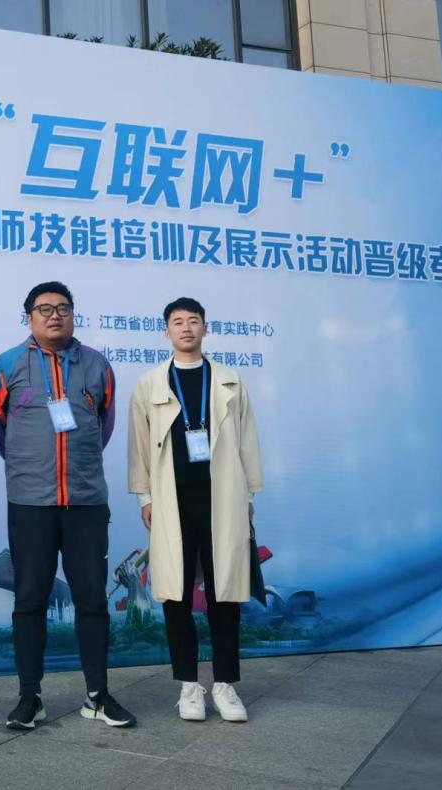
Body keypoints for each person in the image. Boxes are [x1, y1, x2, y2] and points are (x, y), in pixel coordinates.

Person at [0, 281, 135, 730]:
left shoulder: (97, 366)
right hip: (30, 504)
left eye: (63, 308)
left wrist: (75, 467)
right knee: (29, 600)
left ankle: (97, 695)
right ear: (28, 317)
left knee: (92, 600)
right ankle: (30, 697)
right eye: (44, 308)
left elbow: (103, 426)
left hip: (86, 504)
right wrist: (32, 465)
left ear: (73, 314)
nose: (55, 315)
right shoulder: (6, 366)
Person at [126, 297, 264, 723]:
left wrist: (249, 496)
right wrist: (145, 498)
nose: (186, 328)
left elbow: (246, 439)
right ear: (166, 331)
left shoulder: (229, 380)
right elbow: (138, 446)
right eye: (177, 321)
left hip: (222, 498)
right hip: (172, 502)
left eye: (193, 321)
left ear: (206, 328)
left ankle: (225, 685)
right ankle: (188, 685)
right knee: (176, 594)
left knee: (226, 593)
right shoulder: (150, 383)